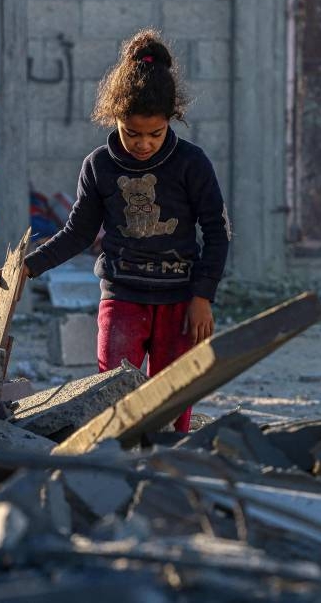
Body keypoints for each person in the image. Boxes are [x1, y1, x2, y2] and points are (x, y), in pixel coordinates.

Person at [18, 29, 231, 433]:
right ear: (113, 116)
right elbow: (79, 231)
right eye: (132, 133)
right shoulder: (99, 166)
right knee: (112, 395)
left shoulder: (191, 163)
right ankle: (116, 471)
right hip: (122, 296)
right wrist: (30, 266)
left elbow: (216, 232)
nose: (144, 144)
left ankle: (165, 476)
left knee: (173, 401)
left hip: (180, 301)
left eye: (156, 133)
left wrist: (203, 296)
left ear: (171, 119)